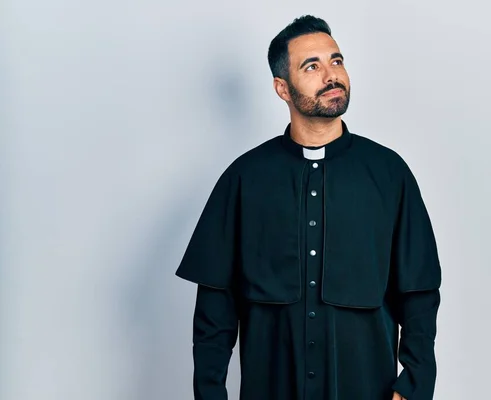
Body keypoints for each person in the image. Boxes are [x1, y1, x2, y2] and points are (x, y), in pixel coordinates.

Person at [176, 15, 442, 400]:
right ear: (282, 88)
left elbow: (419, 291)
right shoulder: (245, 178)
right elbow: (215, 310)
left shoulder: (389, 173)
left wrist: (413, 386)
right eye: (312, 66)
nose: (331, 75)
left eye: (336, 61)